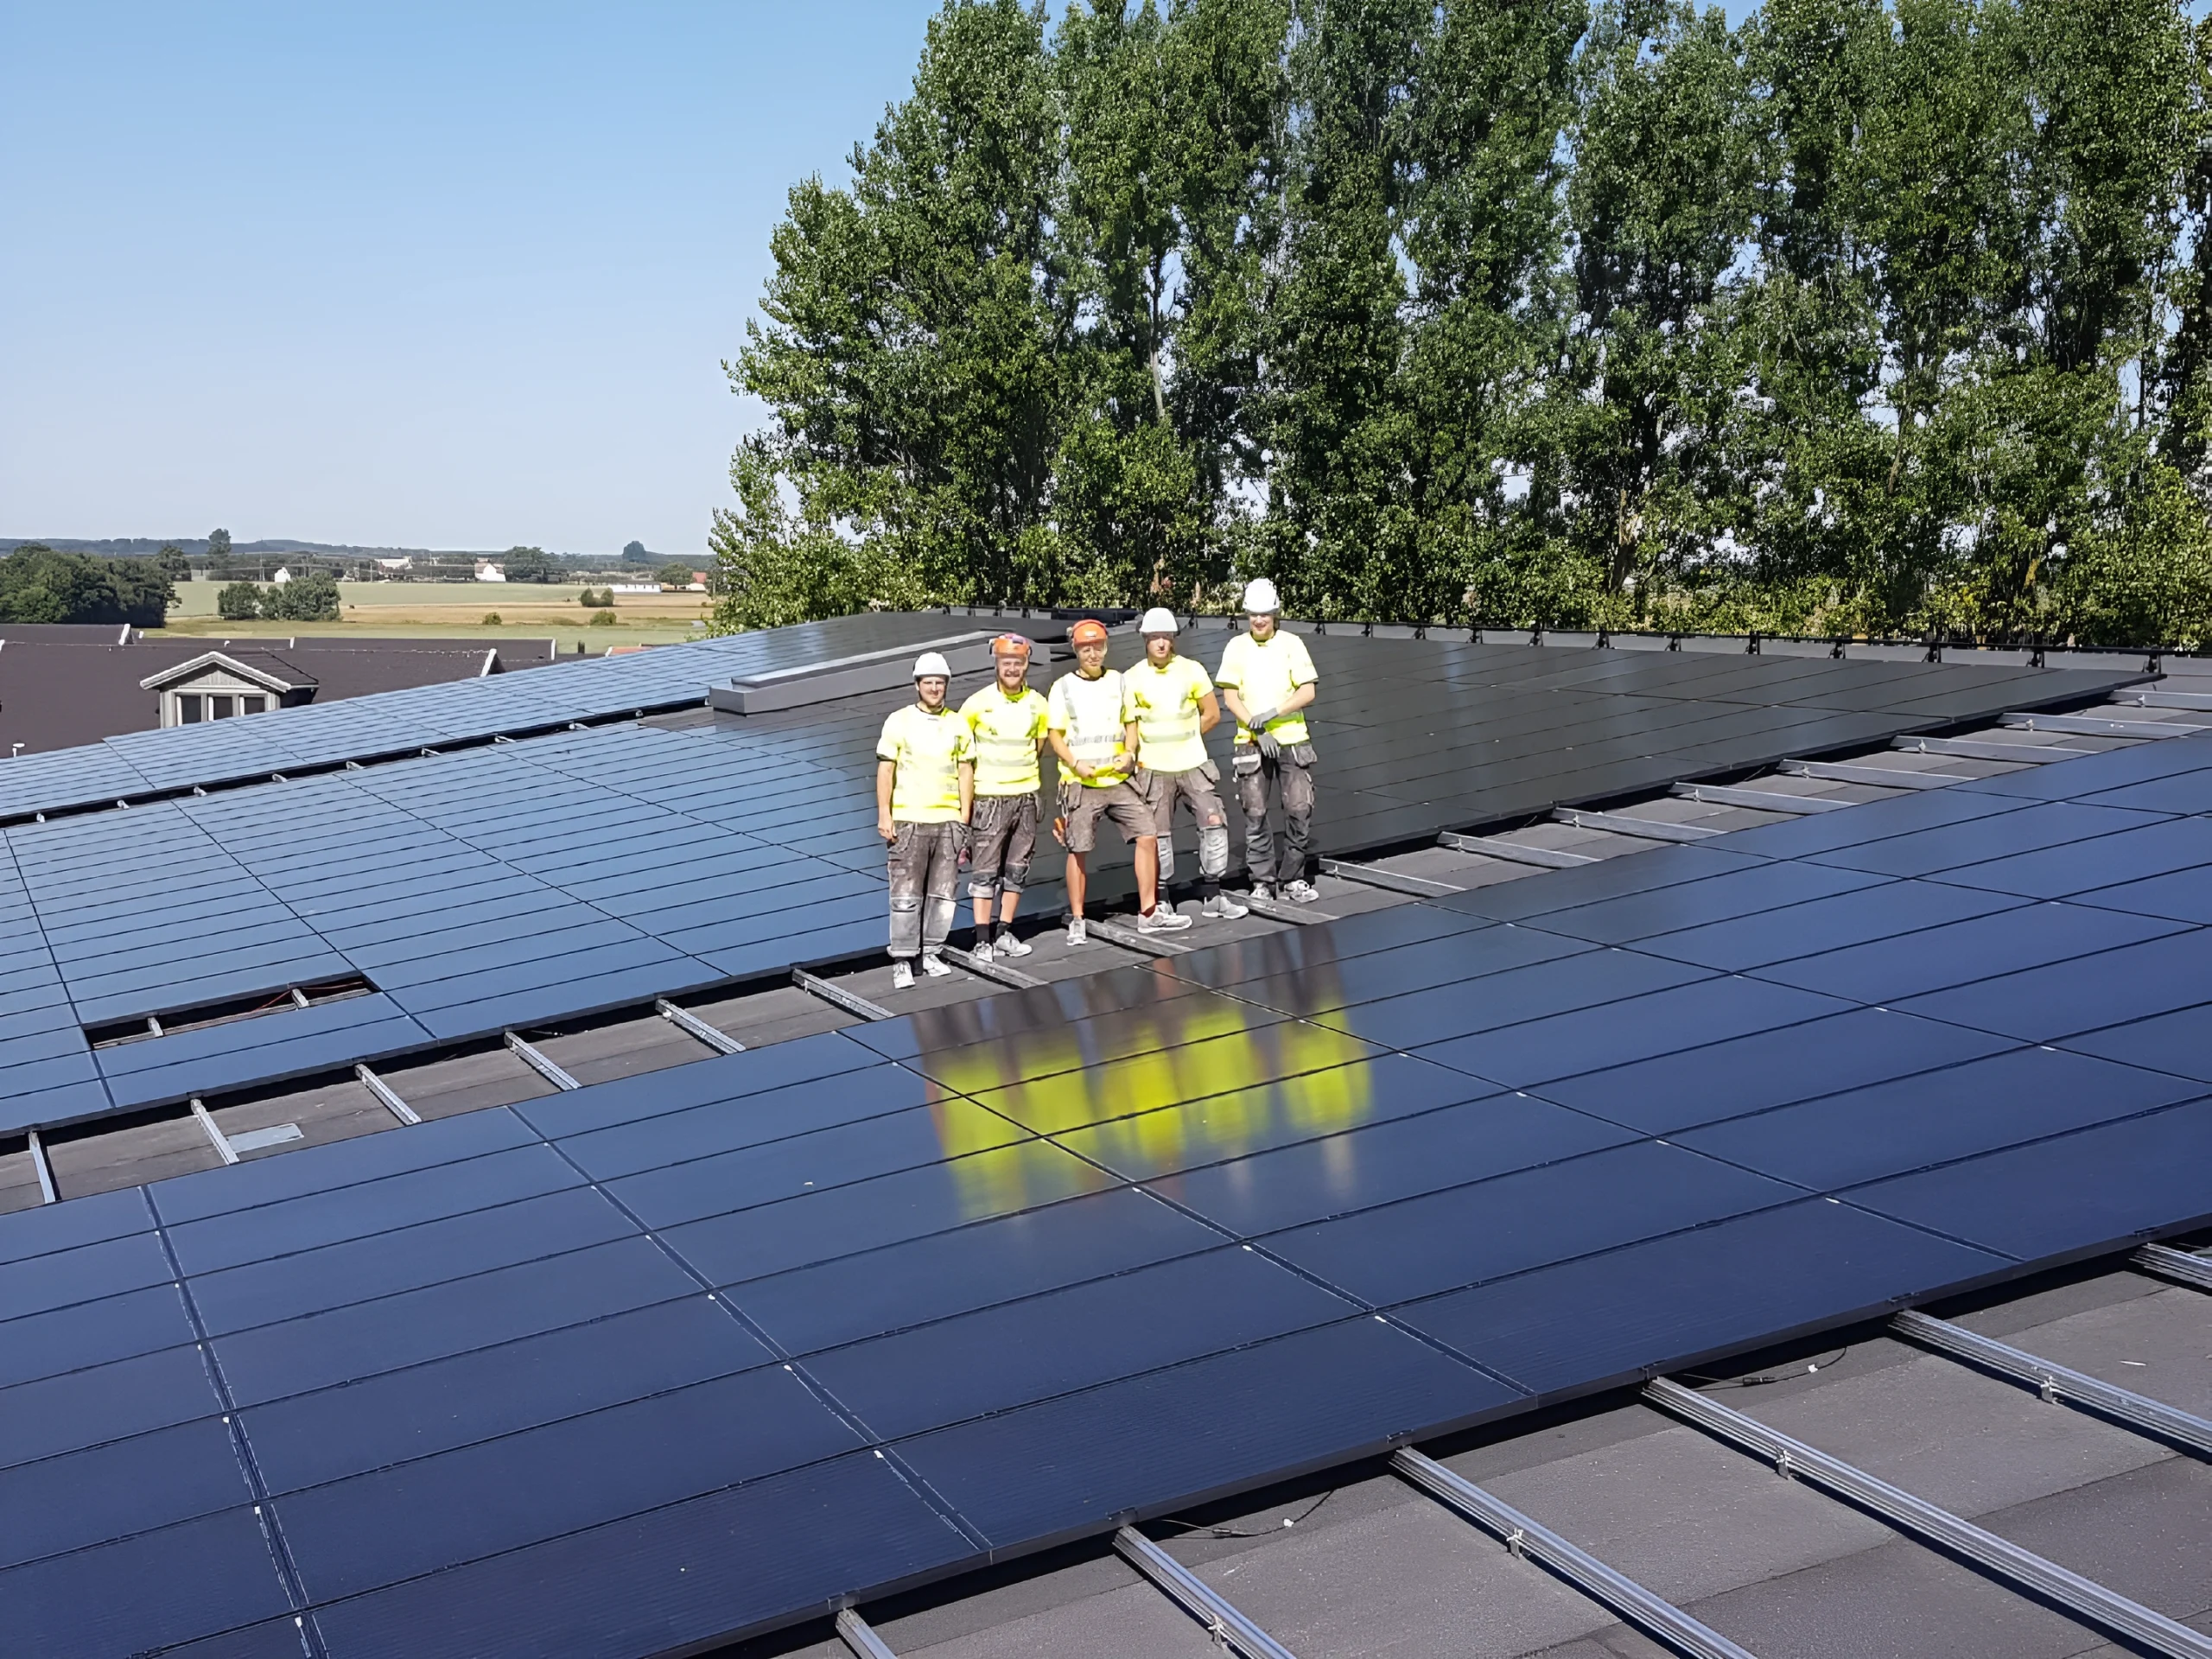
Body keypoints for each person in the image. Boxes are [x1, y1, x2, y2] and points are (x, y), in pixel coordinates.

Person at [1047, 618, 1185, 940]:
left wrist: (1130, 752)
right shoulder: (1063, 687)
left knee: (1147, 834)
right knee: (1077, 848)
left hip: (1119, 780)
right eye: (1085, 648)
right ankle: (1078, 919)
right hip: (1082, 783)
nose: (1092, 654)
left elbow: (1131, 723)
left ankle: (1149, 912)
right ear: (1076, 650)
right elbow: (1055, 736)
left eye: (1097, 647)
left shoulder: (1120, 682)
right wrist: (1074, 763)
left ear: (1105, 648)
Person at [1124, 607, 1248, 921]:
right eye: (1154, 638)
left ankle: (1214, 895)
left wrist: (1187, 738)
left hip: (1193, 764)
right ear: (1145, 640)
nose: (1161, 644)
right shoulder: (1132, 678)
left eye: (1166, 637)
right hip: (1153, 769)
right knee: (1158, 835)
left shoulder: (1192, 670)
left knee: (1214, 824)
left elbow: (1211, 713)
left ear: (1174, 639)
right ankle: (1162, 899)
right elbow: (1129, 726)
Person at [1216, 578, 1320, 902]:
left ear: (1275, 613)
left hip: (1291, 740)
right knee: (1255, 812)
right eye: (1253, 615)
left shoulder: (1292, 644)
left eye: (1265, 614)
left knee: (1298, 808)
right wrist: (1257, 728)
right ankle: (1262, 881)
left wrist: (1273, 714)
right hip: (1251, 742)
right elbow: (1230, 697)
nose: (1259, 620)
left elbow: (1308, 691)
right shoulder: (1236, 647)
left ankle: (1292, 878)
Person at [875, 651, 974, 989]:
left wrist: (964, 818)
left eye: (940, 683)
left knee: (943, 894)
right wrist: (885, 815)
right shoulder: (898, 721)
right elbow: (886, 769)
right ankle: (903, 959)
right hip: (909, 821)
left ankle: (931, 952)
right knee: (905, 894)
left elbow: (965, 771)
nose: (935, 688)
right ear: (917, 685)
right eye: (928, 682)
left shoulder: (958, 723)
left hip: (947, 821)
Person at [959, 633, 1049, 961]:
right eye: (1006, 662)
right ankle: (982, 939)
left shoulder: (1038, 704)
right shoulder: (976, 704)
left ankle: (1003, 932)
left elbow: (1037, 748)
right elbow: (962, 755)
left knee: (1016, 869)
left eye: (1018, 662)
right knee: (984, 873)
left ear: (1027, 664)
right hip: (989, 799)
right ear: (996, 663)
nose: (1012, 668)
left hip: (1025, 797)